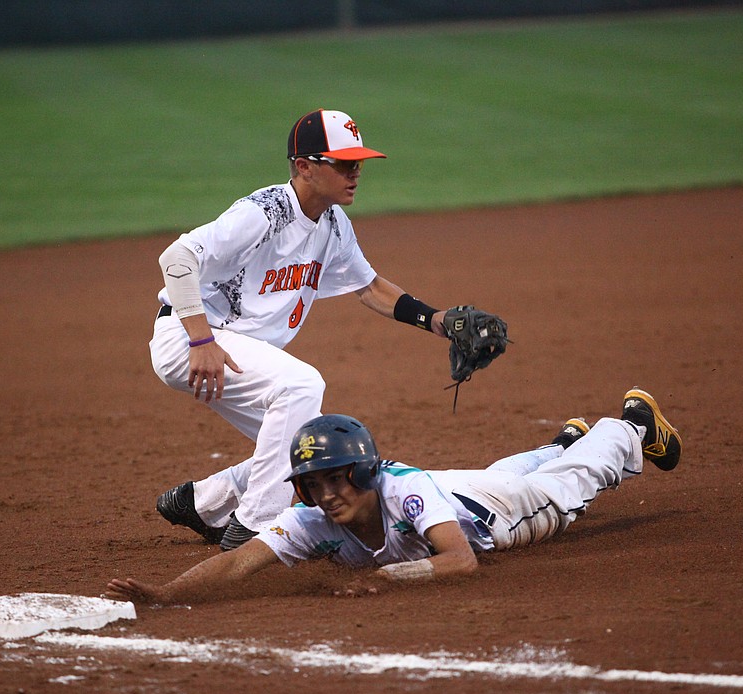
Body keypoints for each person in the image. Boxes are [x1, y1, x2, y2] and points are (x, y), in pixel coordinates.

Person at [150, 108, 503, 551]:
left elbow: (370, 287)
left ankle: (202, 503)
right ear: (304, 166)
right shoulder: (264, 213)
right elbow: (175, 261)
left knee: (314, 447)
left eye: (358, 164)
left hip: (232, 347)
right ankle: (251, 528)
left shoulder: (333, 224)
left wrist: (436, 321)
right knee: (301, 384)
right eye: (344, 163)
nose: (356, 173)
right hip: (190, 337)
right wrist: (201, 339)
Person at [105, 387, 681, 604]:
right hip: (457, 488)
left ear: (362, 472)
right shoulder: (312, 518)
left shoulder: (400, 490)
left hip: (491, 517)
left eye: (337, 479)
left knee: (565, 490)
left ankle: (632, 427)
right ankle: (563, 441)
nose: (327, 495)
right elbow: (238, 562)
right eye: (314, 484)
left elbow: (460, 560)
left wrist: (384, 579)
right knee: (504, 473)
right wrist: (163, 592)